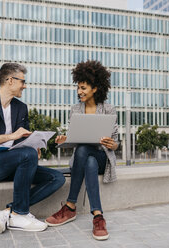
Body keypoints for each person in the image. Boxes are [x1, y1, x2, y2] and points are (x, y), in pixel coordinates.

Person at [0, 63, 65, 233]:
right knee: (27, 154)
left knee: (57, 178)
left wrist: (34, 144)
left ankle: (9, 211)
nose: (25, 86)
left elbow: (20, 143)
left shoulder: (21, 108)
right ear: (10, 80)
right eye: (22, 81)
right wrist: (11, 136)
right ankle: (20, 214)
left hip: (14, 163)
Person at [45, 60, 118, 241]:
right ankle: (98, 216)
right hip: (85, 159)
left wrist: (111, 144)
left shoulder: (108, 109)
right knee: (87, 157)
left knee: (89, 154)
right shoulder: (75, 109)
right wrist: (65, 140)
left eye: (83, 88)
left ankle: (70, 206)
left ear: (95, 88)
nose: (79, 92)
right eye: (78, 88)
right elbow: (75, 138)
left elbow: (116, 144)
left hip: (103, 157)